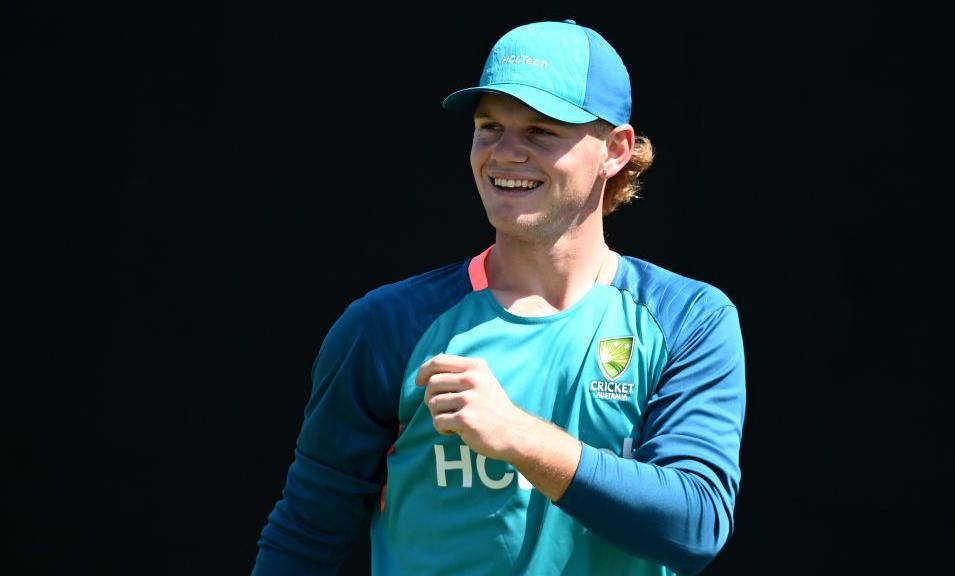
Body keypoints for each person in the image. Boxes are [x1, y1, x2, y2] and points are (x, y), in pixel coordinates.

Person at [253, 19, 745, 576]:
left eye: (540, 131)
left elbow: (695, 523)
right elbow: (305, 535)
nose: (506, 153)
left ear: (614, 150)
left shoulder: (689, 318)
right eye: (489, 127)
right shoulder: (387, 324)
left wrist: (519, 436)